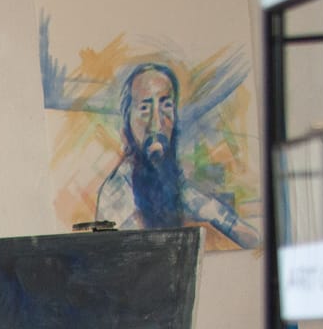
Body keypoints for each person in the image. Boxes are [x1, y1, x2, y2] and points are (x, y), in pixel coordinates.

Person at [93, 62, 260, 250]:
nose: (157, 124)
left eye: (166, 106)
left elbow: (225, 219)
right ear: (127, 125)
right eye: (145, 108)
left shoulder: (169, 181)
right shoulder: (116, 193)